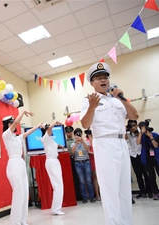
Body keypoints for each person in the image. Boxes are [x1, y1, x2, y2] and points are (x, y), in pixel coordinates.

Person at [80, 62, 139, 225]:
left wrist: (122, 97)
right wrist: (92, 106)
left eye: (105, 77)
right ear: (92, 83)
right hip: (104, 144)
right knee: (109, 190)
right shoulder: (87, 101)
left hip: (122, 144)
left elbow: (134, 115)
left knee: (124, 189)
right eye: (98, 78)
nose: (103, 80)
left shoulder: (117, 100)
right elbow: (85, 124)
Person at [2, 111, 41, 225]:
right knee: (18, 193)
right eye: (12, 123)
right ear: (8, 124)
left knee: (24, 192)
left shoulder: (17, 138)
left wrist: (38, 125)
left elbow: (28, 132)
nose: (15, 124)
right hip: (13, 164)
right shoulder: (6, 136)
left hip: (21, 163)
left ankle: (22, 219)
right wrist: (23, 112)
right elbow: (17, 122)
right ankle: (15, 221)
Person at [40, 121, 65, 216]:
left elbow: (53, 144)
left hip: (55, 161)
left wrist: (60, 146)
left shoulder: (50, 139)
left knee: (59, 185)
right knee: (57, 185)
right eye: (48, 128)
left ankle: (56, 208)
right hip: (51, 161)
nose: (50, 130)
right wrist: (55, 122)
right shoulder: (44, 138)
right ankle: (55, 209)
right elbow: (49, 129)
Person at [125, 120, 152, 198]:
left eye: (134, 125)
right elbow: (125, 139)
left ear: (136, 125)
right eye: (131, 126)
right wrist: (124, 129)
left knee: (146, 174)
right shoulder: (128, 133)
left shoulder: (141, 132)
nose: (133, 127)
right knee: (138, 174)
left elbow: (138, 142)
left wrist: (139, 132)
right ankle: (142, 191)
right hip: (133, 155)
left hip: (142, 154)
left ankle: (149, 191)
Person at [70, 128, 95, 203]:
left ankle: (92, 197)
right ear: (74, 135)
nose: (78, 136)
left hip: (86, 162)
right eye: (76, 134)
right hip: (78, 163)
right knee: (81, 181)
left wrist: (82, 141)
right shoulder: (72, 143)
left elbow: (88, 149)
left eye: (79, 134)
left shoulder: (86, 142)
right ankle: (84, 197)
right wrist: (77, 142)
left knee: (89, 180)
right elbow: (72, 152)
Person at [137, 121, 159, 200]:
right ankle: (155, 193)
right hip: (147, 159)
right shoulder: (141, 137)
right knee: (151, 176)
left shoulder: (155, 134)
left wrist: (151, 137)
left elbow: (156, 146)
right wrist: (140, 134)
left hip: (156, 158)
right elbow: (138, 142)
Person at [65, 126, 82, 201]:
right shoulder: (64, 141)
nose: (69, 133)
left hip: (75, 159)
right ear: (65, 133)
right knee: (69, 178)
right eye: (67, 132)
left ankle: (79, 196)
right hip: (67, 160)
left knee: (77, 177)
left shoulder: (75, 140)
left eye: (70, 131)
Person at [85, 129, 101, 201]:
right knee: (95, 177)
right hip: (92, 159)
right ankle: (97, 194)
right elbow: (89, 149)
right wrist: (90, 136)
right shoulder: (86, 140)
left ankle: (102, 194)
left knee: (101, 177)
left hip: (99, 159)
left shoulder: (97, 138)